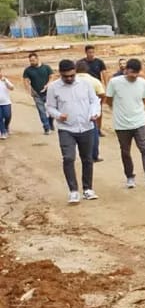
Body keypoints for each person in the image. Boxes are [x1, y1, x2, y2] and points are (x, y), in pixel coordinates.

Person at [45, 59, 100, 204]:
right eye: (66, 76)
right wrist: (58, 115)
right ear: (60, 73)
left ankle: (88, 189)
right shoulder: (53, 88)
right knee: (68, 158)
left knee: (87, 158)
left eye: (72, 75)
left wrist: (94, 113)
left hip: (86, 126)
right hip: (66, 128)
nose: (69, 78)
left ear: (75, 71)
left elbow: (94, 101)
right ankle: (73, 191)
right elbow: (49, 107)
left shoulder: (85, 84)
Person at [105, 58, 145, 191]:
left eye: (136, 72)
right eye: (132, 72)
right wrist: (118, 111)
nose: (134, 75)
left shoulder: (143, 83)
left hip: (139, 122)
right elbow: (109, 100)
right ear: (126, 70)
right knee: (125, 151)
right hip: (122, 124)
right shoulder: (114, 82)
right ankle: (129, 176)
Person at [75, 60, 106, 161]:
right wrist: (98, 105)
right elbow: (102, 94)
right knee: (93, 132)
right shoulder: (94, 81)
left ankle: (83, 155)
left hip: (75, 111)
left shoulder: (71, 80)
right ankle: (94, 155)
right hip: (90, 111)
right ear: (87, 69)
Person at [22, 52, 54, 134]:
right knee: (41, 111)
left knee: (51, 110)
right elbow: (26, 81)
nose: (32, 62)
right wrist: (29, 90)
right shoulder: (28, 70)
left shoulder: (46, 67)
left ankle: (50, 122)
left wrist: (48, 85)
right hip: (36, 94)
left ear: (37, 59)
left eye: (33, 60)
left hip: (48, 92)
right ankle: (46, 127)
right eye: (30, 61)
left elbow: (51, 76)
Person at [0, 72, 14, 139]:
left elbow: (12, 88)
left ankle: (6, 127)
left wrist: (5, 81)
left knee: (7, 116)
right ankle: (3, 132)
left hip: (6, 102)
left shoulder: (4, 80)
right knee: (0, 118)